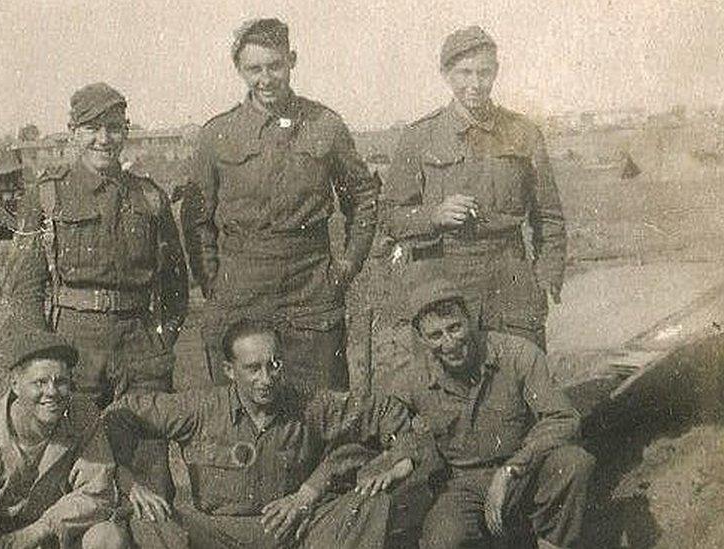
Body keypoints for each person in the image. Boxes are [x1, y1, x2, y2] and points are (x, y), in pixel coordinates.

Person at [7, 82, 189, 501]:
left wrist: (162, 339)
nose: (103, 139)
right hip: (74, 345)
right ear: (73, 131)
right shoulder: (47, 195)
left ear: (125, 131)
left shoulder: (148, 197)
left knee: (149, 466)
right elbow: (25, 287)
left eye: (113, 127)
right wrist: (46, 354)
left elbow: (176, 283)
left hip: (140, 344)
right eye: (91, 128)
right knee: (71, 461)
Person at [106, 319, 437, 548]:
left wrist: (400, 460)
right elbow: (117, 416)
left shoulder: (309, 403)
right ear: (229, 371)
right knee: (147, 521)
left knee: (368, 505)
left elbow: (386, 412)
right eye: (253, 368)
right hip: (218, 533)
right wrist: (130, 483)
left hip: (293, 529)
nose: (266, 378)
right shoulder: (200, 407)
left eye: (274, 364)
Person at [185, 18, 380, 393]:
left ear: (291, 60)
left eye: (275, 66)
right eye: (254, 69)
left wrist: (346, 267)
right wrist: (214, 282)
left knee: (322, 404)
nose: (266, 78)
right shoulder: (217, 134)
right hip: (241, 289)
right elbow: (197, 220)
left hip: (311, 288)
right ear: (239, 70)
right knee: (244, 406)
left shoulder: (324, 125)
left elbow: (363, 199)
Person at [380, 26, 566, 350]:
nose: (475, 84)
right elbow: (391, 216)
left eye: (484, 72)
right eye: (464, 73)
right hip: (445, 278)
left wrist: (546, 276)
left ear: (495, 72)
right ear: (446, 74)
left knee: (521, 377)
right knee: (452, 384)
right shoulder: (420, 136)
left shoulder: (523, 133)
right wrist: (433, 215)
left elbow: (548, 217)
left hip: (511, 277)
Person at [391, 275, 593, 549]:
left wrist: (512, 469)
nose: (449, 343)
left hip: (524, 472)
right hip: (464, 485)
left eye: (455, 328)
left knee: (573, 463)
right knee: (443, 540)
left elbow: (563, 417)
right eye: (436, 335)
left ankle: (550, 542)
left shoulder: (516, 354)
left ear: (471, 321)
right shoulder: (413, 378)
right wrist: (403, 454)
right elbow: (385, 420)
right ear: (422, 339)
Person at [0, 330, 129, 549]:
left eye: (61, 381)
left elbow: (97, 493)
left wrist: (42, 529)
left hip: (55, 534)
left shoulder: (82, 417)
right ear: (15, 385)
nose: (52, 392)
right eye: (40, 382)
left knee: (107, 537)